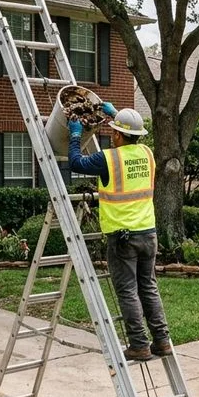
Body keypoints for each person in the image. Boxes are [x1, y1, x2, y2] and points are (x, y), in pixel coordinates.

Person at [68, 104, 170, 361]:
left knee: (127, 290)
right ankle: (162, 341)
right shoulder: (147, 153)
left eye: (114, 131)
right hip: (148, 233)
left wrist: (75, 134)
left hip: (123, 236)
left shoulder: (108, 159)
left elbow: (75, 162)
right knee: (148, 286)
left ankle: (139, 344)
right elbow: (128, 135)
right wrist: (116, 116)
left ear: (116, 135)